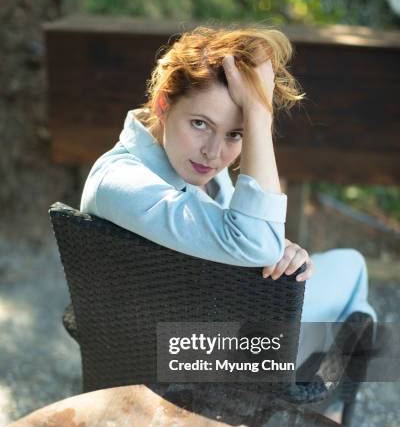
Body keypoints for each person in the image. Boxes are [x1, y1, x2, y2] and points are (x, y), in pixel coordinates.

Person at [80, 24, 377, 372]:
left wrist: (280, 249)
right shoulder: (121, 181)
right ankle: (332, 406)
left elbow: (251, 240)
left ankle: (328, 402)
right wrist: (258, 116)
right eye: (200, 124)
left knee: (329, 292)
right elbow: (253, 243)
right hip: (192, 355)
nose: (214, 153)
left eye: (236, 134)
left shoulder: (192, 166)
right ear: (163, 104)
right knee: (353, 270)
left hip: (205, 330)